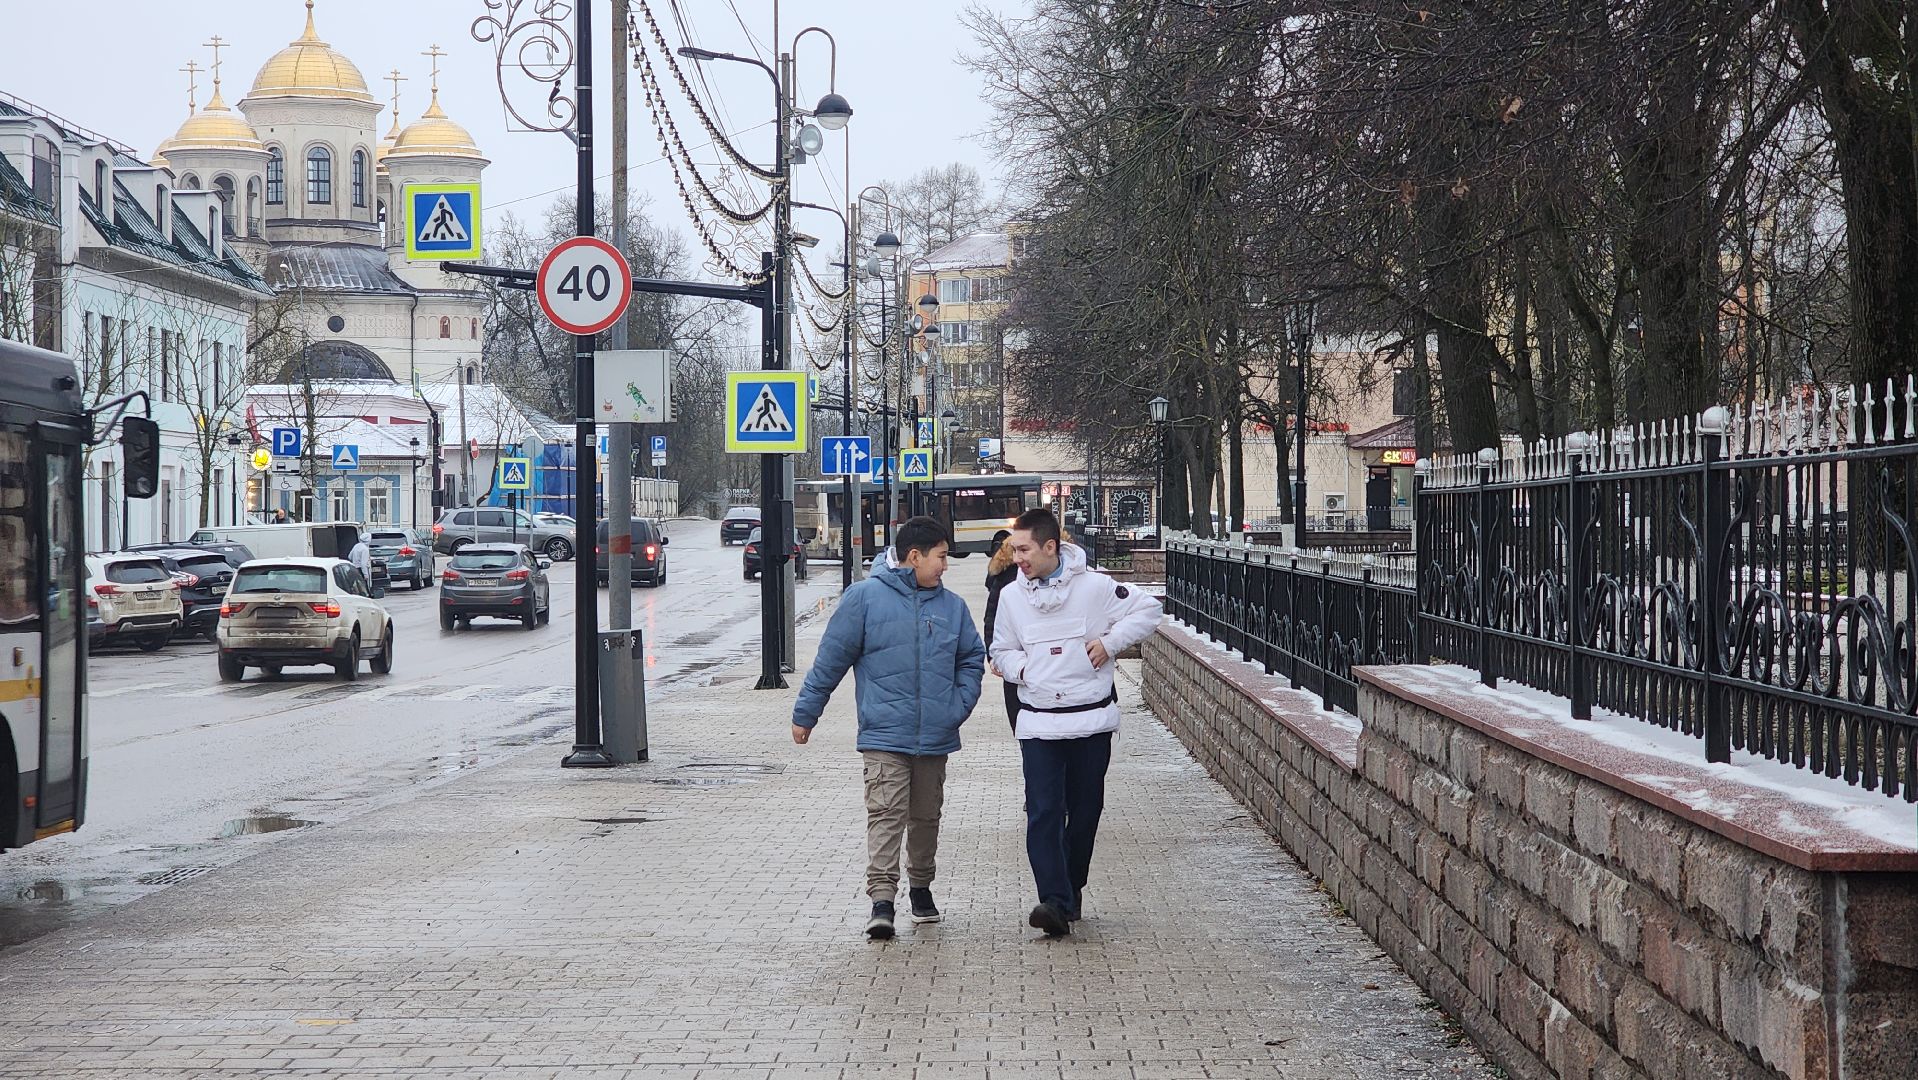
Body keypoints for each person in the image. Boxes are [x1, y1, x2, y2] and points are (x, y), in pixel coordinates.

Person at [791, 515, 985, 940]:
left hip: (935, 735)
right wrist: (806, 714)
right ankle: (882, 901)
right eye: (940, 556)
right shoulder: (863, 599)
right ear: (913, 557)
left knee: (925, 817)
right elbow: (830, 660)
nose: (946, 565)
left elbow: (972, 659)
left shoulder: (952, 606)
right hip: (883, 735)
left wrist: (958, 705)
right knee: (886, 815)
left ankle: (921, 887)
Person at [990, 507, 1161, 937]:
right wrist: (1025, 671)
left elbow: (1148, 610)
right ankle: (1054, 901)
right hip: (1039, 723)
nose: (1018, 558)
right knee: (1044, 812)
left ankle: (1071, 887)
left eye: (1024, 549)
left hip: (1090, 721)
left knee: (1085, 812)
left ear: (1051, 547)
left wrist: (1109, 642)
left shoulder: (1097, 587)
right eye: (1014, 550)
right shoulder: (1012, 595)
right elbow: (1001, 650)